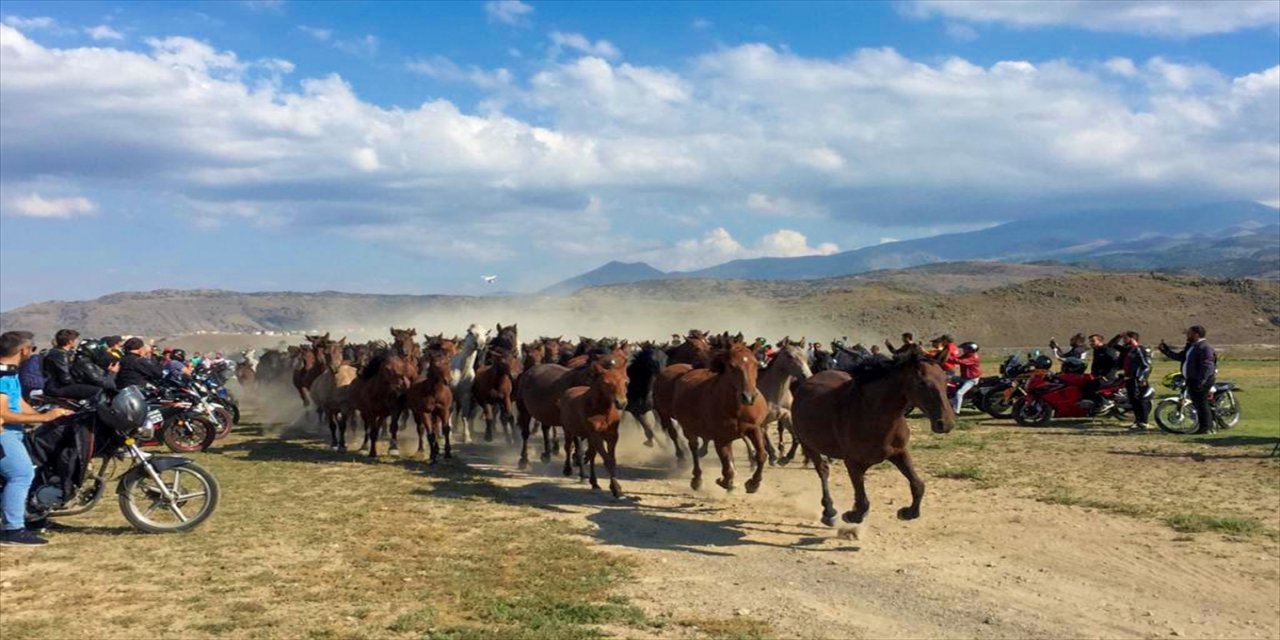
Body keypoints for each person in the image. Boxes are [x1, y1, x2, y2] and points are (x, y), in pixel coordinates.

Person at [0, 331, 74, 546]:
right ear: (23, 350)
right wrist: (44, 417)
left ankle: (32, 517)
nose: (32, 353)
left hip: (14, 431)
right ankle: (12, 530)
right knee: (20, 474)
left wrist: (41, 416)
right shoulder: (2, 375)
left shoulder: (10, 372)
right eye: (32, 349)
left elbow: (17, 402)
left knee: (31, 469)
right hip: (4, 433)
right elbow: (3, 413)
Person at [1159, 325, 1218, 434]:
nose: (1187, 335)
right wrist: (1166, 351)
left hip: (1200, 381)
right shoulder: (1192, 347)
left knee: (1202, 404)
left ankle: (1206, 428)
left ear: (1196, 334)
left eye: (1189, 333)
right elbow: (1180, 357)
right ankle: (1203, 426)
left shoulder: (1204, 347)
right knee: (1198, 404)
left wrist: (1201, 381)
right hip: (1192, 380)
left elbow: (1208, 367)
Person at [41, 329, 103, 401]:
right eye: (76, 340)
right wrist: (79, 383)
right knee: (98, 391)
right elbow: (65, 378)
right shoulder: (61, 355)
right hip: (57, 388)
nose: (77, 342)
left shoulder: (57, 352)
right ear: (70, 342)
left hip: (55, 386)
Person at [1120, 331, 1152, 431]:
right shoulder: (1130, 350)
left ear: (1132, 339)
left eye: (1125, 338)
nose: (1123, 340)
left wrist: (1142, 378)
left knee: (1140, 400)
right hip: (1129, 378)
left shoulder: (1139, 349)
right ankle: (1138, 421)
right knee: (1133, 401)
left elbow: (1146, 365)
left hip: (1137, 379)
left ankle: (1144, 422)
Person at [951, 342, 982, 413]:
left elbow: (960, 361)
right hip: (964, 378)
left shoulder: (973, 357)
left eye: (965, 349)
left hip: (971, 380)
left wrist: (949, 357)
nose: (963, 350)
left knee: (959, 393)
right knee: (948, 378)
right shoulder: (967, 355)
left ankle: (956, 411)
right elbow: (957, 359)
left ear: (971, 350)